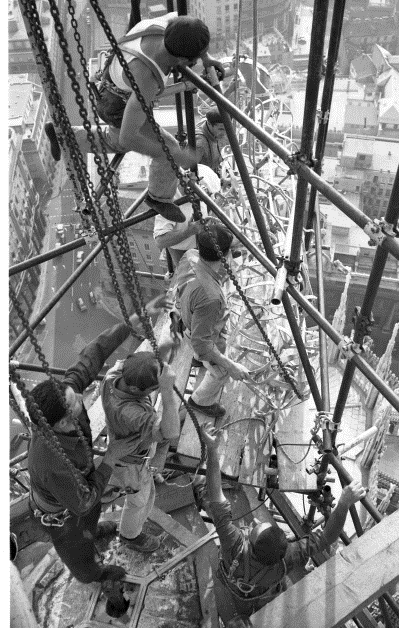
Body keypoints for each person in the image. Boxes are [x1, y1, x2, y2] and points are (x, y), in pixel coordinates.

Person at [27, 297, 166, 614]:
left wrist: (128, 325)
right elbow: (84, 500)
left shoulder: (61, 403)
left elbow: (91, 358)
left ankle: (94, 532)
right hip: (61, 512)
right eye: (77, 403)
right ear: (63, 422)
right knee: (80, 559)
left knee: (91, 521)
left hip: (79, 482)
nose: (81, 396)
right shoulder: (51, 462)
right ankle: (96, 573)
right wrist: (112, 456)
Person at [44, 12, 224, 223]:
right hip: (117, 105)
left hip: (110, 87)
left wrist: (207, 58)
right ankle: (159, 198)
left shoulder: (164, 25)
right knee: (168, 147)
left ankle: (63, 136)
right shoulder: (147, 78)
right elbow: (128, 138)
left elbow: (188, 28)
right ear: (183, 59)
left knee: (118, 140)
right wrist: (177, 156)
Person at [199, 423, 367, 625]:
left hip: (233, 584)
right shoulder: (289, 556)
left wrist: (212, 449)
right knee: (264, 600)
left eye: (254, 529)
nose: (256, 522)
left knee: (238, 598)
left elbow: (216, 496)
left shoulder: (233, 544)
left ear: (250, 546)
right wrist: (344, 504)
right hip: (264, 591)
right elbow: (326, 538)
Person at [100, 340, 180, 553]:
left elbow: (136, 362)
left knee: (143, 494)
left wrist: (166, 346)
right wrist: (166, 391)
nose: (154, 392)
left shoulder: (113, 377)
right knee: (139, 501)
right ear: (136, 389)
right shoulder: (131, 413)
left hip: (126, 445)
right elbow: (170, 432)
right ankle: (130, 536)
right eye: (152, 390)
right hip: (132, 464)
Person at [176, 218, 250, 418]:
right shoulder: (212, 298)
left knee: (202, 344)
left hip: (185, 320)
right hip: (200, 334)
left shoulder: (189, 255)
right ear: (225, 255)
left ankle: (201, 360)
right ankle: (201, 402)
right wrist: (230, 365)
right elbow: (201, 343)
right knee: (221, 371)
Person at [153, 163, 221, 269]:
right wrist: (189, 231)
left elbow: (216, 196)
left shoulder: (206, 174)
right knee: (189, 278)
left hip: (206, 242)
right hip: (183, 251)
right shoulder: (167, 199)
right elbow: (160, 241)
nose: (199, 191)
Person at [194, 108, 228, 176]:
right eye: (221, 129)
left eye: (227, 128)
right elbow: (187, 171)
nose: (225, 133)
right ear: (209, 124)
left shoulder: (209, 124)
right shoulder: (200, 144)